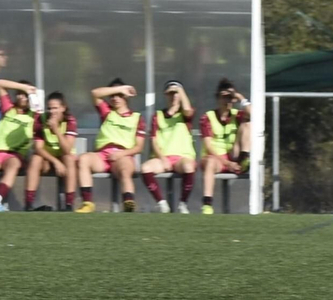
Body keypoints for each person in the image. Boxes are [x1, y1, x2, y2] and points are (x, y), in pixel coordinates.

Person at [74, 80, 146, 213]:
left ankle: (128, 203)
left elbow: (139, 147)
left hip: (123, 155)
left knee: (125, 169)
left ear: (126, 97)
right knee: (83, 159)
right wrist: (121, 88)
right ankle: (87, 203)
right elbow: (95, 93)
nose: (115, 98)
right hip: (102, 156)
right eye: (112, 95)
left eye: (119, 95)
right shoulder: (106, 111)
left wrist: (121, 154)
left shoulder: (137, 118)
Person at [0, 83, 38, 211]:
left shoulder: (34, 116)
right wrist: (24, 87)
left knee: (13, 166)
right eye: (19, 94)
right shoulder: (9, 109)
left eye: (25, 95)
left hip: (14, 153)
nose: (21, 97)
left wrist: (32, 96)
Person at [142, 80, 197, 214]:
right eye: (171, 93)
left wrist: (180, 89)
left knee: (188, 167)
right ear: (165, 95)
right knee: (145, 168)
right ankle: (162, 203)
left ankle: (182, 204)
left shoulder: (185, 116)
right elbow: (153, 139)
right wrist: (162, 158)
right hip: (163, 157)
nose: (174, 96)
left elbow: (188, 110)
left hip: (182, 157)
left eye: (176, 93)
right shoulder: (158, 115)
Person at [200, 78, 251, 215]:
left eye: (230, 97)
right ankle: (207, 205)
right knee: (210, 162)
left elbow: (253, 114)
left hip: (233, 156)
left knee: (248, 124)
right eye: (224, 97)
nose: (227, 100)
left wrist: (239, 97)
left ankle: (243, 160)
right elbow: (208, 146)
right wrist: (227, 163)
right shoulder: (207, 117)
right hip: (216, 158)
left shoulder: (237, 115)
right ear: (217, 97)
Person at [23, 92, 78, 211]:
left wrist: (56, 130)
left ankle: (69, 205)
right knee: (35, 159)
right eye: (49, 108)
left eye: (55, 108)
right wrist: (54, 162)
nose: (52, 111)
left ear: (63, 108)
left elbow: (67, 150)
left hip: (64, 157)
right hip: (47, 158)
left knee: (69, 160)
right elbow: (38, 147)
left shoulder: (70, 121)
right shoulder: (40, 120)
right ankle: (28, 204)